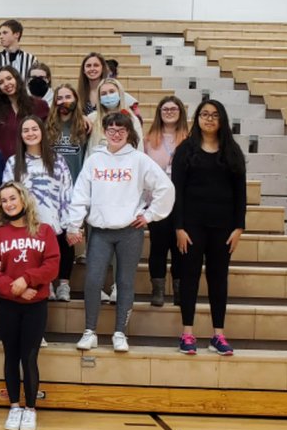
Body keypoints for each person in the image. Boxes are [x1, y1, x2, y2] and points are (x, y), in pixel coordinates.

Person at [68, 112, 173, 353]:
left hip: (129, 232)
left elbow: (165, 188)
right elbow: (81, 192)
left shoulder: (139, 159)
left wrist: (149, 215)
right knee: (93, 280)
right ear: (104, 132)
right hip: (100, 231)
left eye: (121, 130)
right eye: (111, 130)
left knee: (124, 282)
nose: (116, 134)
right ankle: (90, 331)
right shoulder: (95, 159)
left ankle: (120, 334)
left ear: (128, 133)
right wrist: (75, 224)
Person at [172, 99, 247, 357]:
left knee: (218, 279)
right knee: (190, 277)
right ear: (197, 118)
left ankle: (218, 335)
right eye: (204, 114)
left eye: (215, 115)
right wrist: (178, 227)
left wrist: (239, 227)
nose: (209, 119)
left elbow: (241, 193)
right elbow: (177, 191)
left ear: (222, 119)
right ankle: (187, 333)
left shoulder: (233, 152)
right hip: (191, 227)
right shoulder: (185, 150)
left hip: (223, 227)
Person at [0, 182, 58, 430]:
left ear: (23, 199)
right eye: (4, 200)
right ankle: (14, 407)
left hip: (35, 306)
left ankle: (30, 409)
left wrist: (27, 280)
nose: (9, 203)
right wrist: (14, 288)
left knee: (29, 357)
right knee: (11, 356)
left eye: (12, 198)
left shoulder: (45, 231)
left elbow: (52, 266)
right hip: (9, 305)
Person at [3, 115, 74, 300]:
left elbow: (67, 191)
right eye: (25, 130)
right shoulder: (13, 162)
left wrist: (68, 222)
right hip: (27, 221)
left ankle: (63, 285)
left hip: (54, 218)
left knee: (60, 247)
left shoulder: (57, 160)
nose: (30, 133)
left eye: (34, 129)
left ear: (42, 131)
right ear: (20, 135)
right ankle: (46, 284)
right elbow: (8, 193)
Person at [144, 95, 190, 308]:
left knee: (181, 247)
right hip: (158, 201)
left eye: (173, 108)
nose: (169, 112)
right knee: (159, 247)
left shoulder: (189, 139)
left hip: (182, 201)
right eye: (165, 109)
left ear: (180, 112)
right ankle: (158, 290)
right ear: (159, 112)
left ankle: (180, 290)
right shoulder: (149, 139)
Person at [45, 83, 89, 301]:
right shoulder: (48, 126)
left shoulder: (83, 125)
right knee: (48, 238)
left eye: (68, 96)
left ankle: (64, 284)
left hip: (75, 190)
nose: (64, 101)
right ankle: (48, 283)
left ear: (75, 99)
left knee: (66, 239)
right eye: (59, 97)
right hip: (51, 190)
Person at [0, 65, 49, 160]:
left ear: (17, 79)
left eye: (9, 78)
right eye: (1, 82)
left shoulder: (39, 106)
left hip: (32, 163)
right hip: (2, 163)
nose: (6, 84)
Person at [86, 77, 141, 150]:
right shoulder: (92, 118)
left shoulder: (132, 119)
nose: (108, 95)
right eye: (103, 93)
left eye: (112, 92)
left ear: (120, 93)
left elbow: (139, 147)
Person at [0, 19, 35, 83]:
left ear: (17, 34)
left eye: (5, 33)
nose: (1, 37)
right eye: (0, 34)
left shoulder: (31, 60)